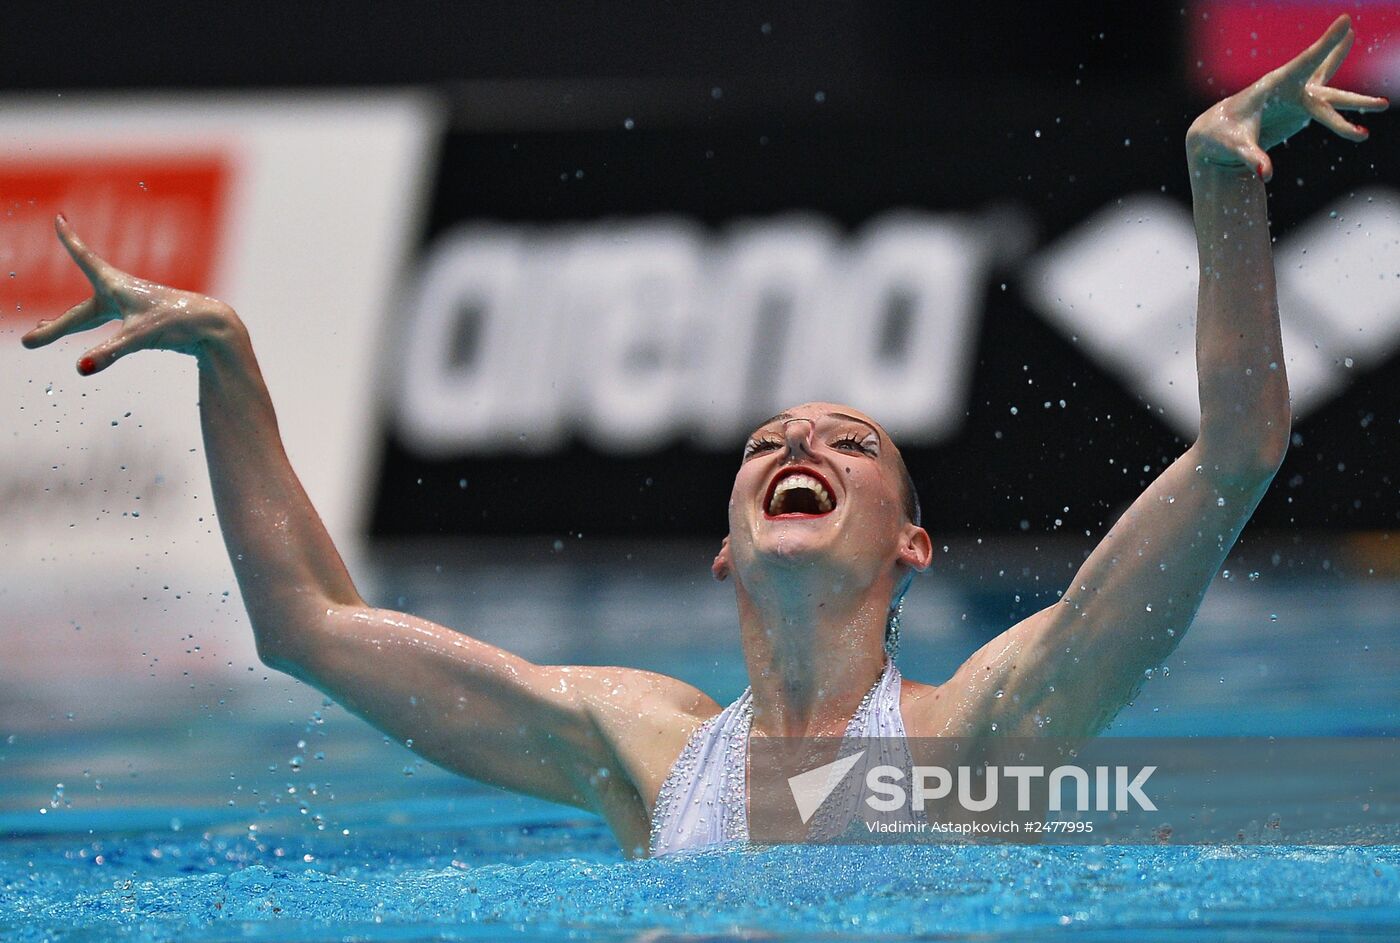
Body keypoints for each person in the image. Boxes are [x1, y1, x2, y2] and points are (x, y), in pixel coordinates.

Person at [22, 16, 1385, 858]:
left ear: (915, 542)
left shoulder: (990, 729)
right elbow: (309, 628)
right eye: (769, 442)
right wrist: (227, 356)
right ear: (725, 553)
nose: (797, 436)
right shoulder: (642, 750)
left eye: (849, 441)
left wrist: (1220, 181)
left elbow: (1236, 453)